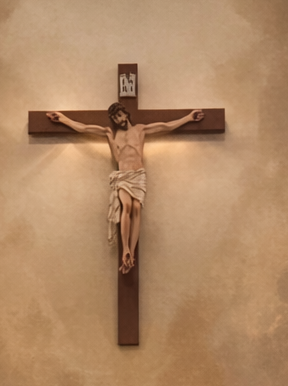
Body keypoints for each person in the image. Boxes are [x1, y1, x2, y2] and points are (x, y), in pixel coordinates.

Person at [45, 102, 204, 273]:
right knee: (126, 206)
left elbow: (166, 126)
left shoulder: (140, 130)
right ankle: (125, 247)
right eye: (115, 118)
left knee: (136, 208)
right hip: (123, 176)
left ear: (126, 114)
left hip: (138, 175)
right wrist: (63, 119)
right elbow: (84, 128)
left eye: (120, 115)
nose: (118, 119)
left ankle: (131, 252)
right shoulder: (110, 133)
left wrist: (189, 117)